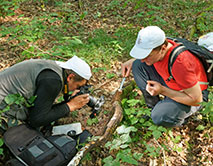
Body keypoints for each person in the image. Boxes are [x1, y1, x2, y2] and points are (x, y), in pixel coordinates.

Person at [121, 26, 209, 127]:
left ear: (162, 48)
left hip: (192, 96)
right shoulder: (161, 44)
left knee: (159, 116)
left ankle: (177, 118)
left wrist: (162, 90)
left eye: (147, 56)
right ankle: (154, 107)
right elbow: (145, 58)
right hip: (172, 82)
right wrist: (133, 60)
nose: (143, 59)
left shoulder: (181, 63)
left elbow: (197, 100)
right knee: (138, 65)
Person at [0, 55, 91, 132]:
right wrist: (70, 106)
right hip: (2, 109)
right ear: (70, 77)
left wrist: (69, 101)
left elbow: (42, 109)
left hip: (7, 96)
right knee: (30, 135)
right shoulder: (53, 81)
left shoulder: (55, 69)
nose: (77, 89)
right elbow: (36, 120)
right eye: (78, 86)